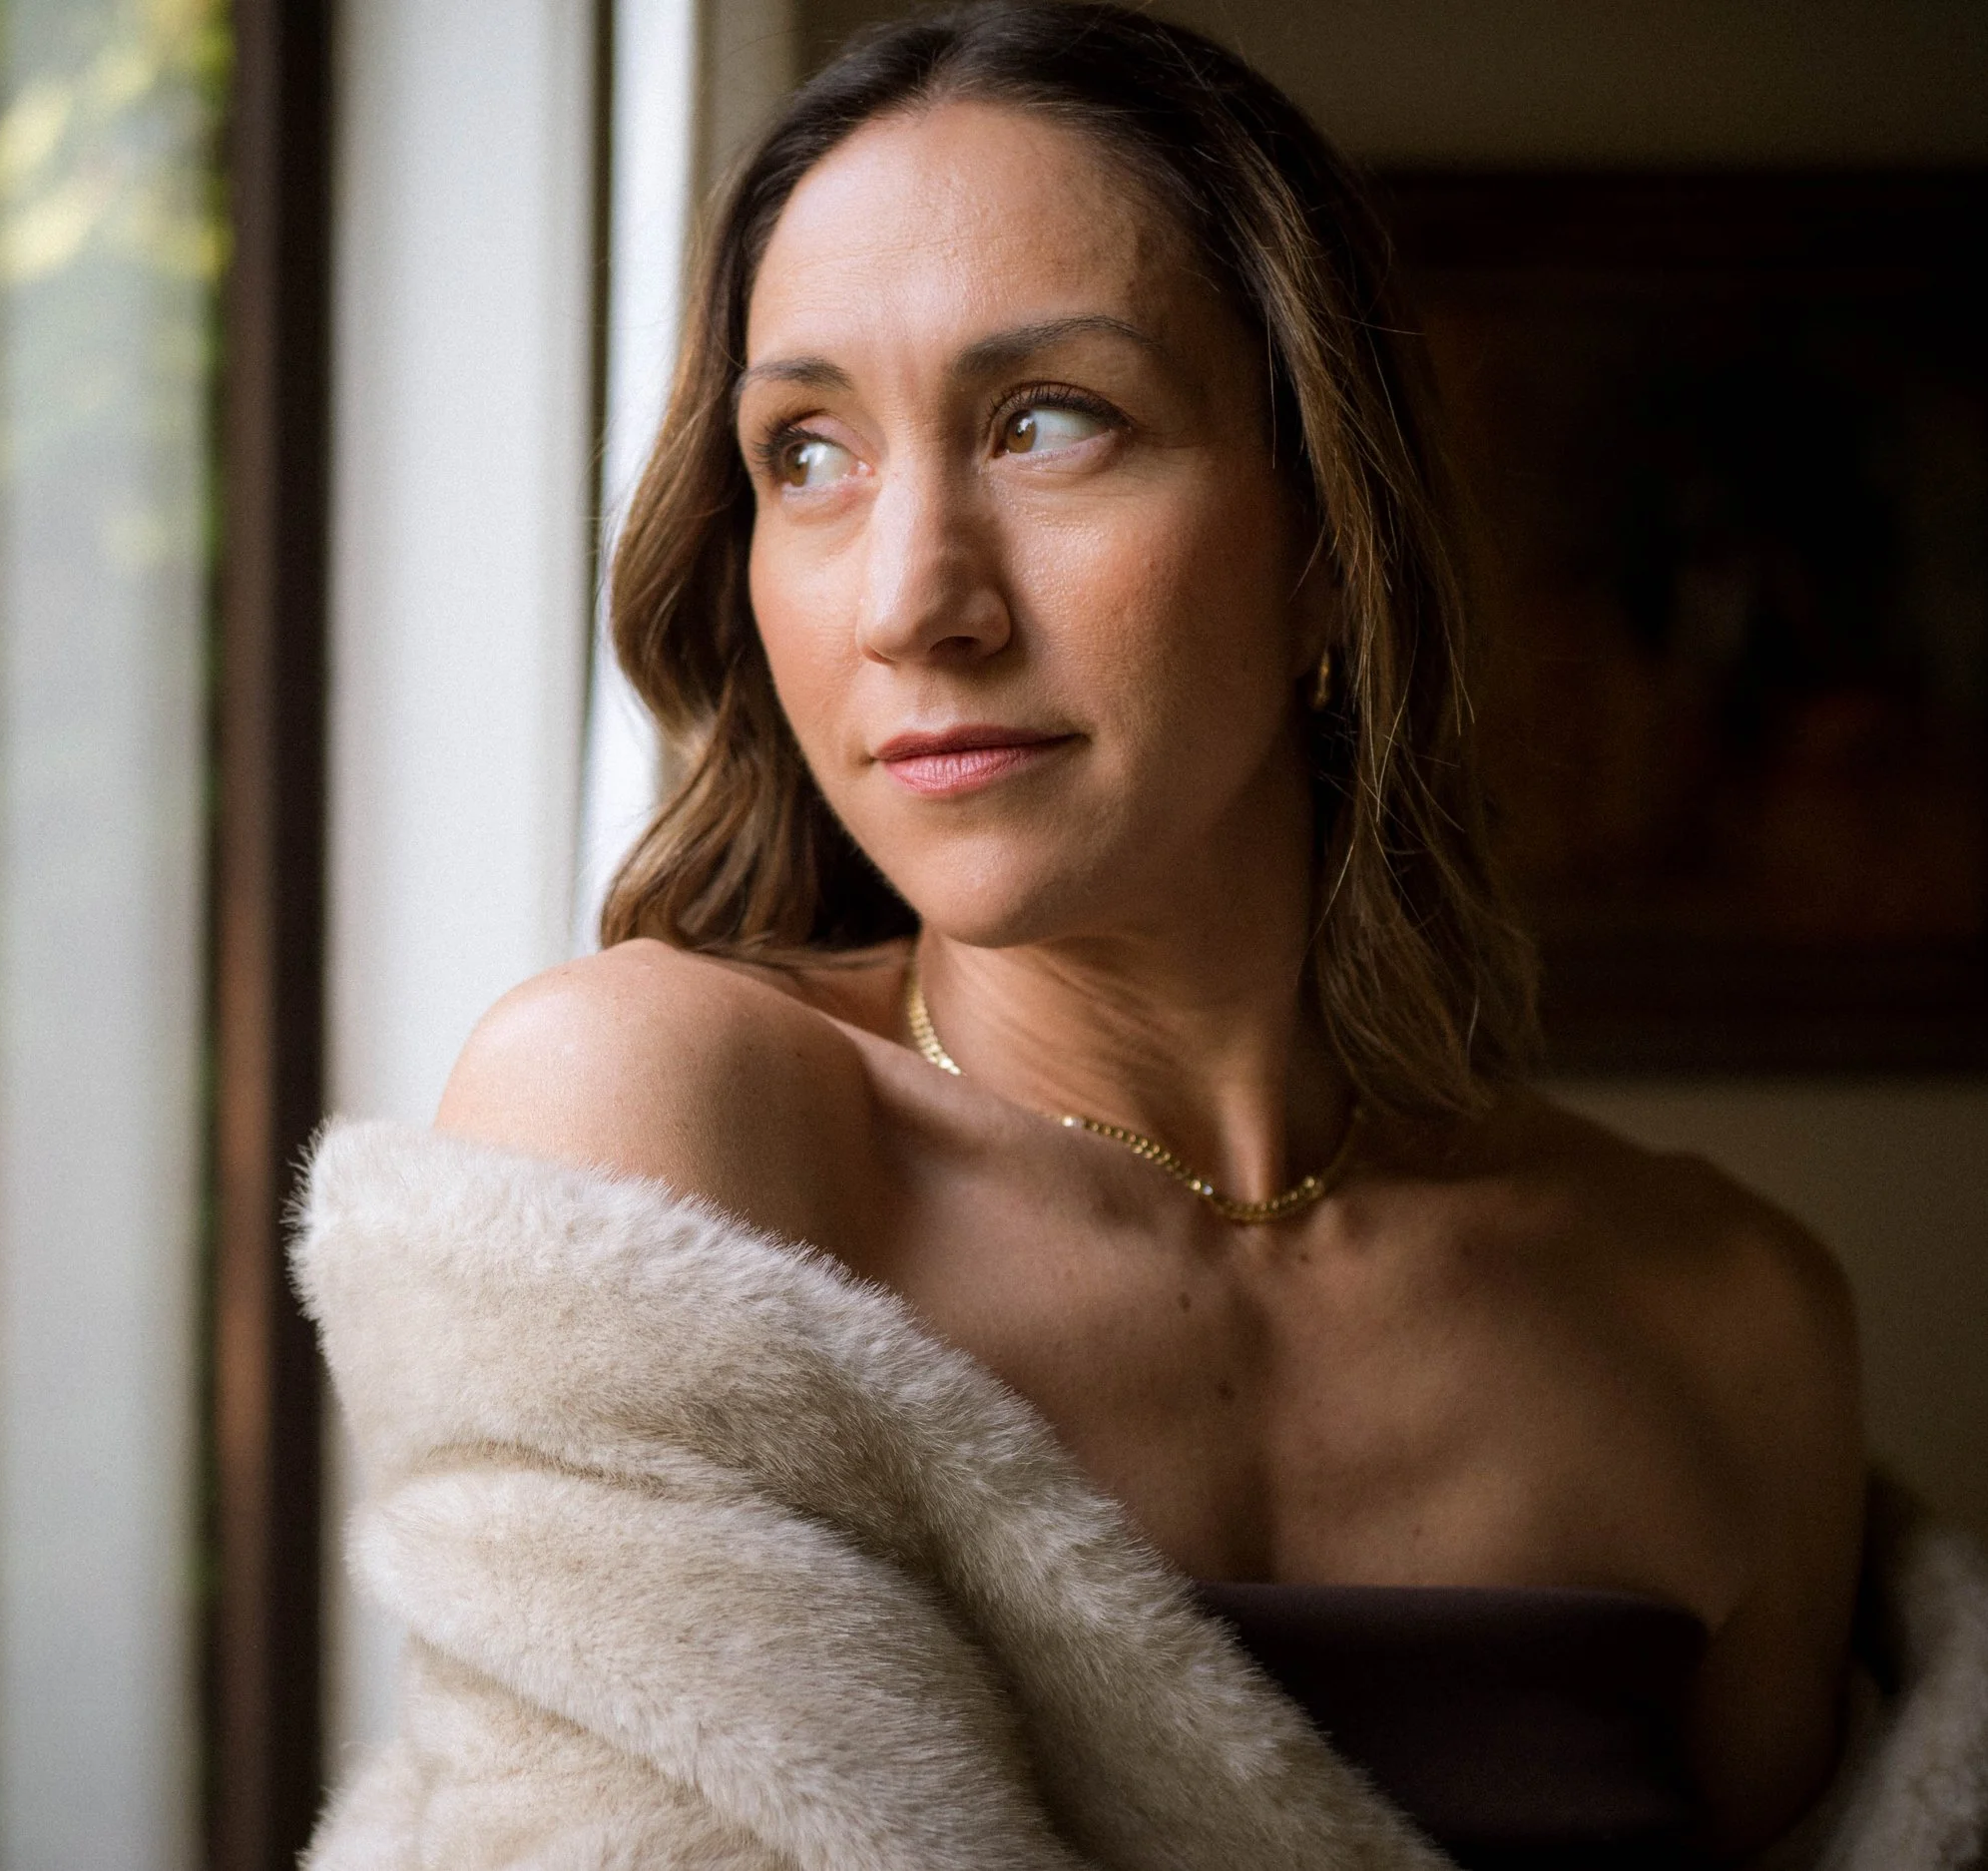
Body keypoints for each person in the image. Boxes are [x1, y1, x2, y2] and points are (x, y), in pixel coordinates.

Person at [299, 8, 1983, 1867]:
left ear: (1325, 539)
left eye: (1048, 422)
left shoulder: (1727, 1320)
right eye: (808, 453)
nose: (912, 601)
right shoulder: (663, 1128)